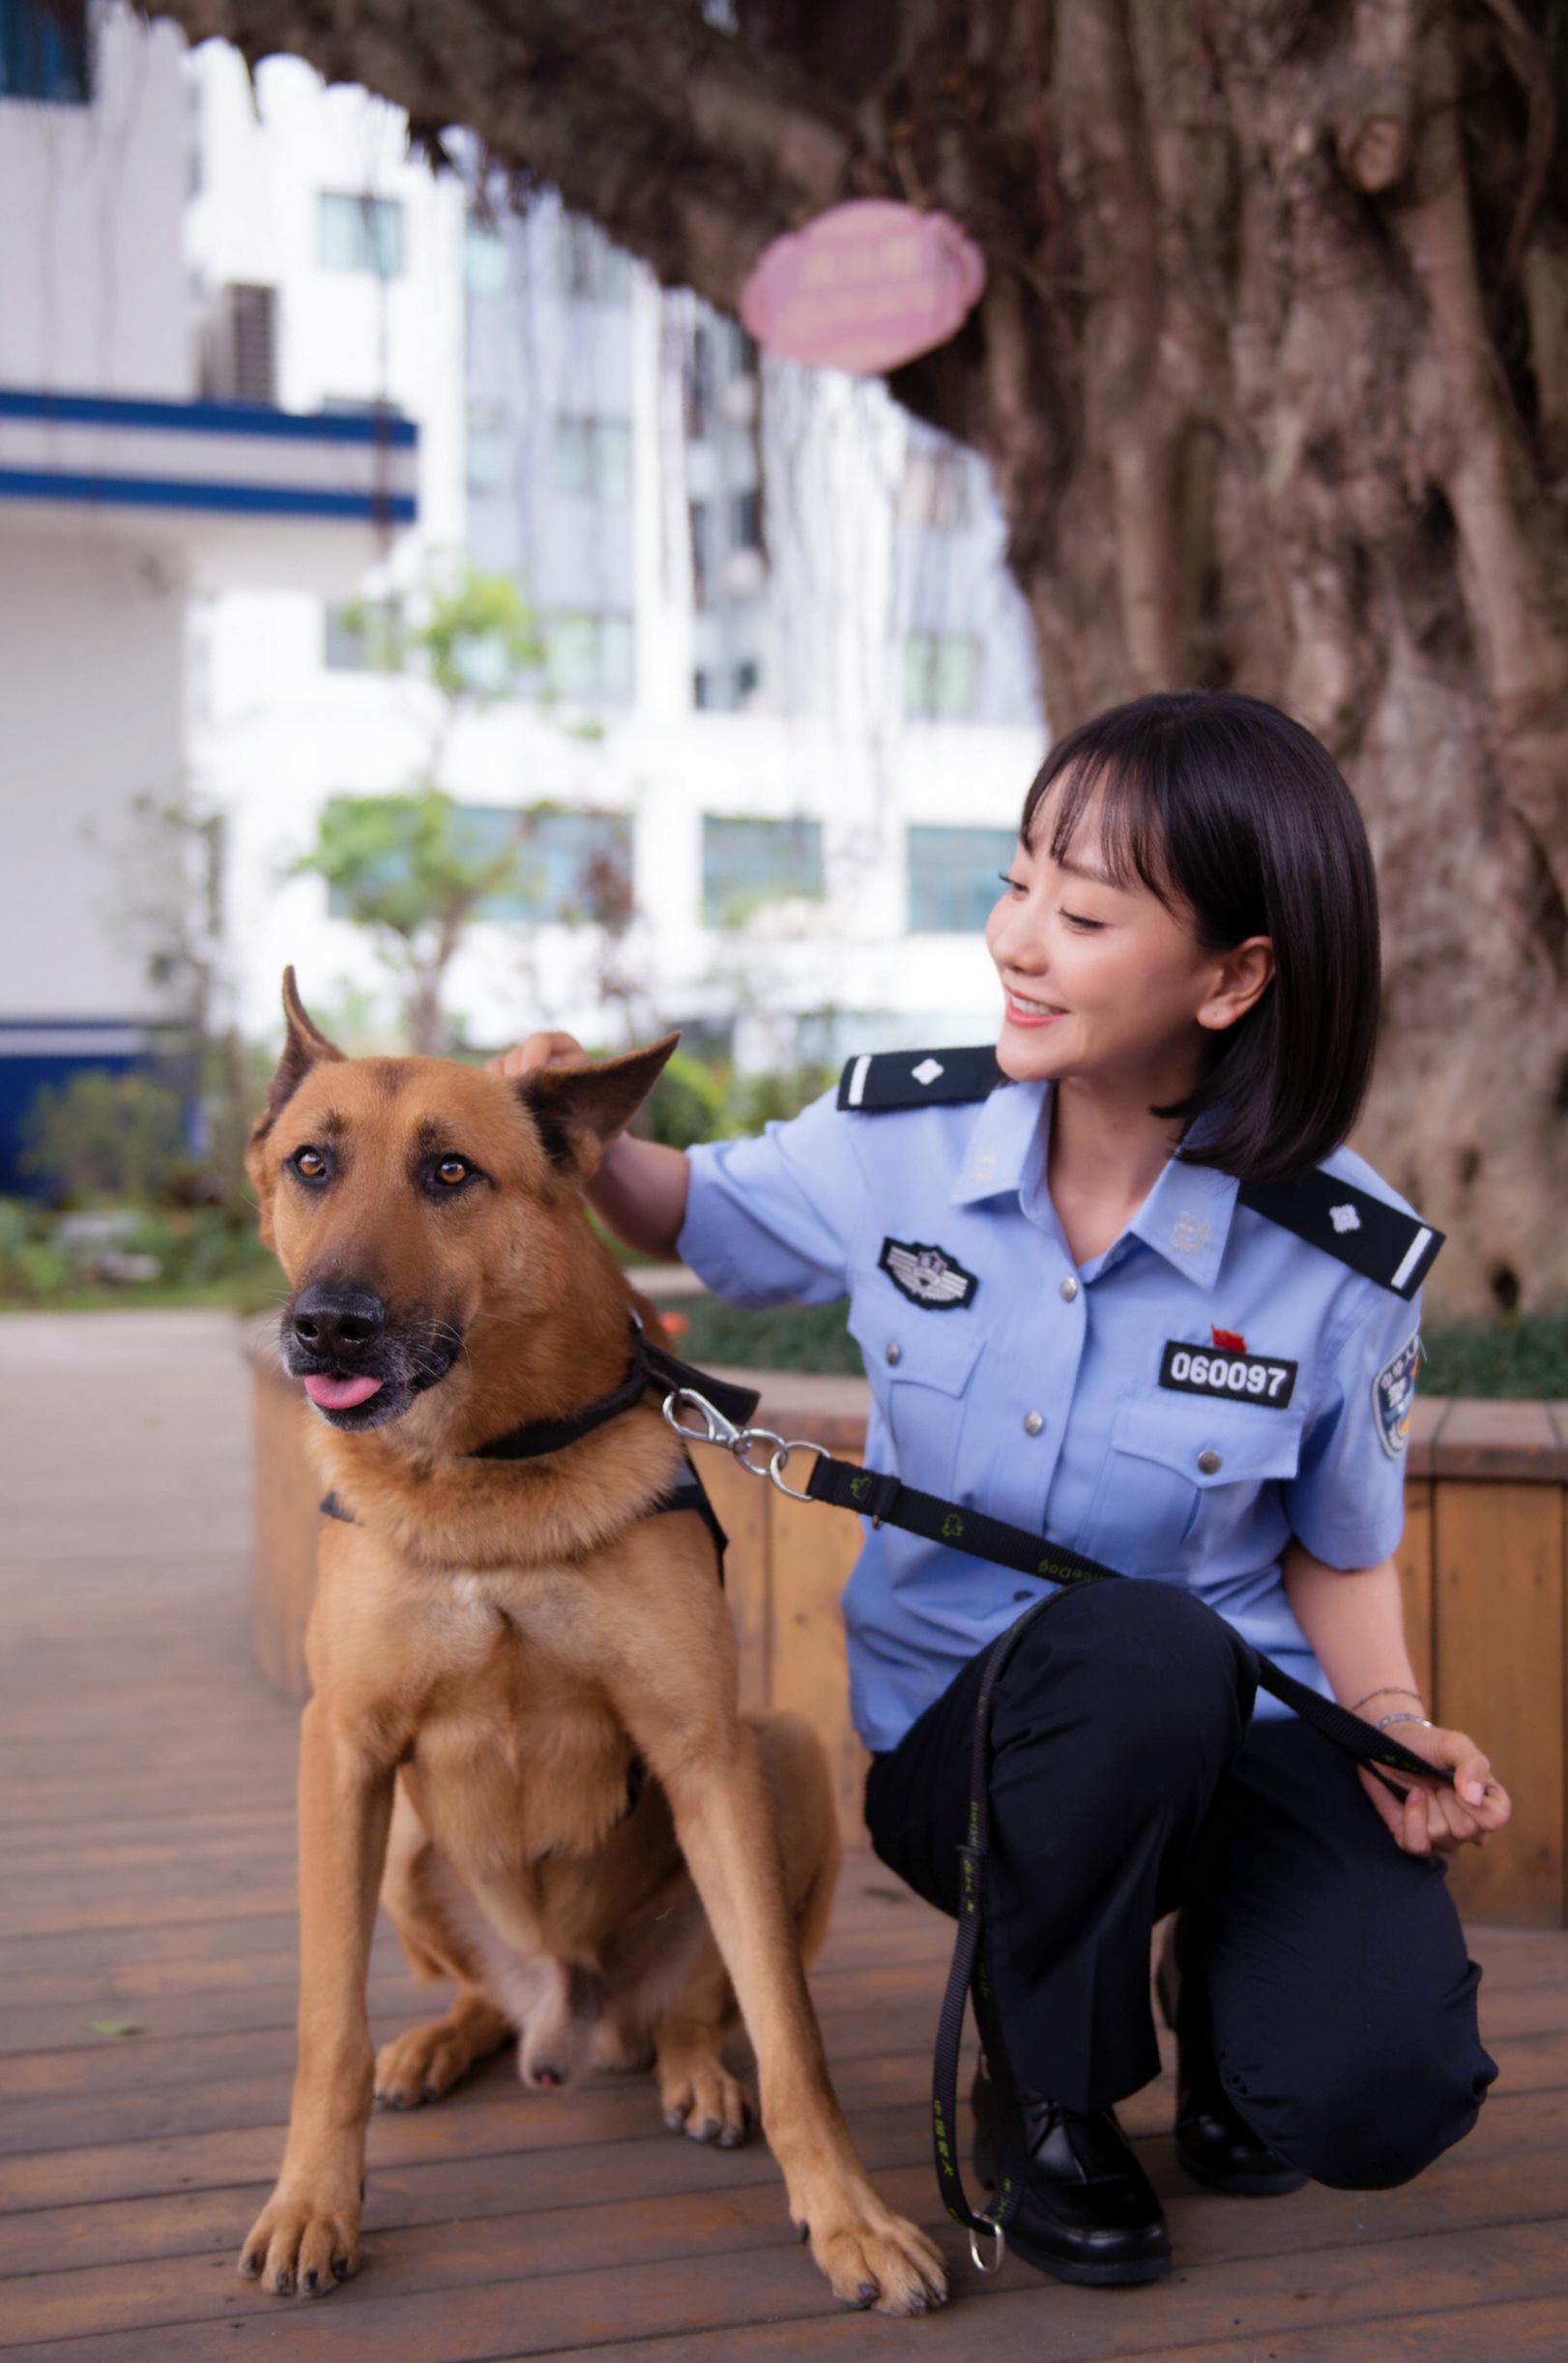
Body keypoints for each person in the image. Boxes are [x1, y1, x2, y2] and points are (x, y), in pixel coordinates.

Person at [489, 686, 1511, 2290]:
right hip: (963, 1763)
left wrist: (1390, 1725)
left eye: (1082, 915)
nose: (1016, 942)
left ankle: (1216, 1998)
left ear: (1233, 978)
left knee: (1376, 2088)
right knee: (1144, 1647)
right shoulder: (904, 1139)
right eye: (1016, 881)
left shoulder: (1336, 1253)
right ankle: (1047, 2090)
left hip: (1239, 1739)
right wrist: (565, 1125)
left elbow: (1334, 1546)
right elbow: (692, 1209)